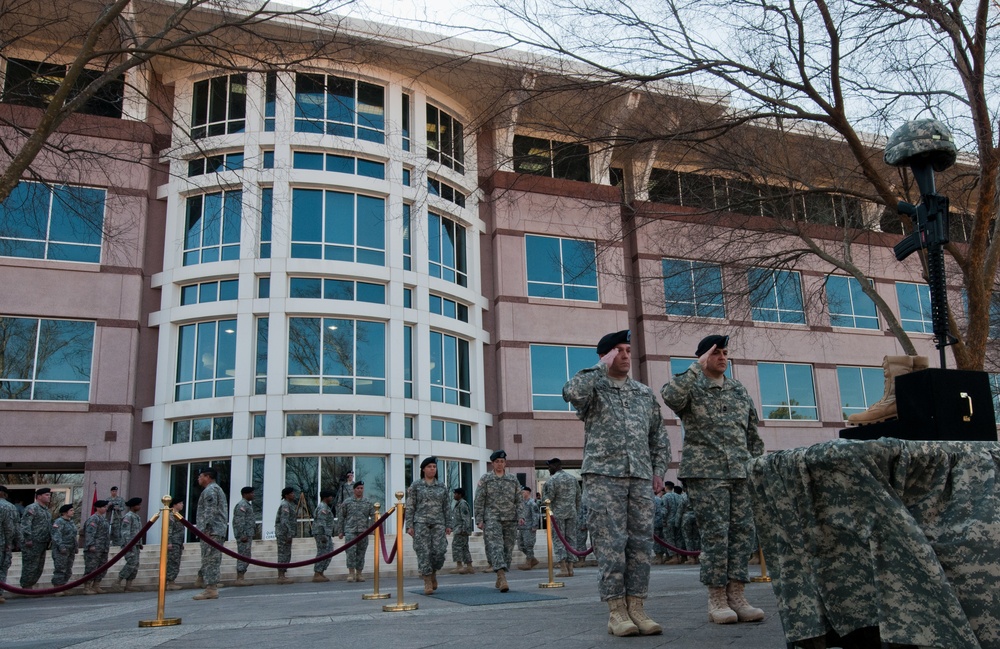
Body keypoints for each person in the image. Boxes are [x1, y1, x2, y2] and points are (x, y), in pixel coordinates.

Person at [562, 329, 670, 636]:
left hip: (639, 478)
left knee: (640, 546)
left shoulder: (644, 393)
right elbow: (570, 391)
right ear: (606, 355)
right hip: (603, 478)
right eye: (618, 351)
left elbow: (659, 437)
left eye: (627, 350)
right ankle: (616, 612)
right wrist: (600, 365)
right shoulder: (594, 388)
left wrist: (658, 470)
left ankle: (637, 607)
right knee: (611, 545)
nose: (625, 355)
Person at [661, 334, 766, 624]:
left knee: (742, 534)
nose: (722, 357)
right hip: (706, 473)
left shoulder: (738, 390)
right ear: (704, 357)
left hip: (739, 472)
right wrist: (696, 366)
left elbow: (751, 433)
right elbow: (670, 396)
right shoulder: (691, 386)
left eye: (725, 352)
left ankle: (738, 594)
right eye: (716, 353)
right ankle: (717, 597)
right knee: (716, 535)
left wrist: (756, 466)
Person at [474, 449, 521, 593]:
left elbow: (519, 499)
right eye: (497, 462)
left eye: (502, 461)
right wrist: (479, 519)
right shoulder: (486, 479)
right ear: (492, 463)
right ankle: (502, 577)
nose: (500, 464)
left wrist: (521, 516)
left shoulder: (513, 479)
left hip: (510, 518)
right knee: (495, 547)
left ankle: (500, 575)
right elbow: (479, 500)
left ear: (505, 463)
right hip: (492, 518)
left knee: (507, 549)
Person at [406, 457, 452, 594]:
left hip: (438, 523)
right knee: (423, 552)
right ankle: (427, 580)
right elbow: (410, 506)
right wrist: (409, 525)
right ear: (423, 469)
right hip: (420, 523)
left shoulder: (441, 486)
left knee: (439, 551)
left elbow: (446, 506)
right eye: (429, 466)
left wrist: (449, 524)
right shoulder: (416, 486)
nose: (432, 469)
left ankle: (433, 572)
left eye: (434, 467)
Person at [192, 467, 228, 600]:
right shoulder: (216, 489)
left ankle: (211, 589)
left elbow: (209, 511)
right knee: (212, 559)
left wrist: (206, 529)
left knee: (210, 560)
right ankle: (208, 583)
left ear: (207, 476)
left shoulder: (210, 490)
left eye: (200, 476)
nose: (199, 478)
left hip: (211, 531)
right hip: (216, 530)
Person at [542, 458, 581, 576]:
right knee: (571, 539)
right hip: (572, 513)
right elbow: (578, 498)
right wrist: (576, 511)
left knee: (559, 539)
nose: (548, 469)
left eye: (549, 467)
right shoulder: (573, 479)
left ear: (555, 466)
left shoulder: (552, 480)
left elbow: (547, 500)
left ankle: (563, 567)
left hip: (557, 515)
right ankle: (571, 567)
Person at [338, 481, 375, 582]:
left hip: (363, 531)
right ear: (354, 490)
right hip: (351, 531)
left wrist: (372, 529)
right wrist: (340, 531)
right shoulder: (347, 502)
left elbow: (373, 516)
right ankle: (351, 573)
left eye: (361, 488)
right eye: (358, 488)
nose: (360, 490)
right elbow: (341, 516)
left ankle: (359, 573)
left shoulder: (368, 502)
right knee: (350, 552)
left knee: (361, 552)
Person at [19, 487, 53, 589]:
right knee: (30, 566)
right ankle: (26, 588)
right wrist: (28, 538)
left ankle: (30, 586)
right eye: (46, 495)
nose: (49, 497)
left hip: (43, 542)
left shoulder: (46, 510)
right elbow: (25, 524)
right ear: (39, 496)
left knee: (38, 567)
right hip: (32, 542)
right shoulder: (32, 508)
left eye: (49, 495)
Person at [82, 500, 111, 595]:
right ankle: (87, 587)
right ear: (98, 508)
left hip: (103, 547)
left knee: (102, 567)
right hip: (94, 548)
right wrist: (91, 545)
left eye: (106, 507)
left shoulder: (103, 519)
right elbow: (90, 533)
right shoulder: (93, 519)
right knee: (91, 567)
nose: (105, 509)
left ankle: (96, 585)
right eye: (104, 507)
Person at [49, 504, 78, 594]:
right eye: (71, 510)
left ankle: (63, 586)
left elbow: (73, 536)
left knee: (68, 569)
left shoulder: (71, 522)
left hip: (70, 549)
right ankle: (57, 588)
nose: (73, 512)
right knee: (60, 568)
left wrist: (75, 547)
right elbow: (56, 536)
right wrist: (61, 547)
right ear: (65, 512)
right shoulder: (59, 522)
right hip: (61, 549)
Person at [116, 497, 143, 592]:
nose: (139, 507)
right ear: (133, 506)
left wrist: (140, 543)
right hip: (129, 544)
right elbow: (125, 532)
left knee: (135, 564)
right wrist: (129, 544)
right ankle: (118, 581)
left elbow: (138, 531)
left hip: (135, 544)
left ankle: (129, 585)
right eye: (138, 505)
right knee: (131, 562)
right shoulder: (128, 517)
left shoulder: (136, 517)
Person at [0, 485, 20, 604]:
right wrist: (12, 543)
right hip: (2, 543)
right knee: (2, 568)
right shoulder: (8, 507)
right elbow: (10, 528)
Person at [232, 486, 255, 586]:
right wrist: (242, 534)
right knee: (243, 555)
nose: (253, 495)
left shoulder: (247, 505)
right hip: (244, 536)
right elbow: (239, 521)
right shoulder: (242, 505)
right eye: (251, 493)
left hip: (248, 534)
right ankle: (240, 578)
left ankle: (241, 577)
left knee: (246, 555)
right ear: (245, 494)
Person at [274, 487, 297, 585]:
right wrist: (288, 534)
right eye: (291, 493)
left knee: (286, 553)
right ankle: (281, 576)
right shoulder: (285, 505)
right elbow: (284, 521)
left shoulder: (289, 505)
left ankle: (282, 574)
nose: (293, 495)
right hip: (283, 534)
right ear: (286, 495)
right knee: (283, 553)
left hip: (285, 533)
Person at [448, 488, 474, 574]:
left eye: (456, 494)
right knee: (464, 548)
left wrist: (464, 529)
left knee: (456, 546)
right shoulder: (458, 504)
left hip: (461, 530)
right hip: (459, 529)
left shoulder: (462, 504)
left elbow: (465, 518)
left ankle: (459, 566)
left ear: (460, 495)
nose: (454, 495)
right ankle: (469, 566)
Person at [312, 490, 336, 582]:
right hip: (322, 533)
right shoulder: (323, 507)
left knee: (329, 551)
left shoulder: (326, 507)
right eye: (330, 496)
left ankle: (321, 572)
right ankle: (317, 573)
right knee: (322, 552)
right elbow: (321, 522)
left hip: (326, 533)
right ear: (325, 497)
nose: (331, 498)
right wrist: (323, 536)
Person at [516, 486, 539, 570]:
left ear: (528, 493)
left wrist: (534, 526)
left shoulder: (532, 503)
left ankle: (528, 563)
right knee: (521, 546)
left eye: (523, 492)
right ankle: (533, 559)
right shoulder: (521, 503)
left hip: (529, 528)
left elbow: (535, 515)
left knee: (528, 545)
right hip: (522, 528)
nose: (522, 494)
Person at [165, 497, 185, 590]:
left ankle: (170, 581)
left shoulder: (177, 515)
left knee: (175, 562)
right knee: (173, 562)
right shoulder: (171, 515)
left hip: (177, 542)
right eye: (180, 503)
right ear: (175, 505)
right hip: (173, 542)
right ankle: (170, 582)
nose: (182, 505)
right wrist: (169, 542)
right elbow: (169, 530)